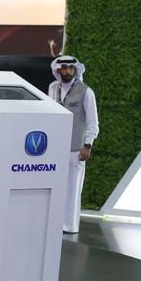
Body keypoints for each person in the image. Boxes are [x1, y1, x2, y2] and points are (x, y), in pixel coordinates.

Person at [48, 55, 99, 234]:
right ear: (58, 70)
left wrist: (88, 145)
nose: (67, 71)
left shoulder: (86, 91)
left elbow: (93, 121)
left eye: (71, 68)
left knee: (73, 189)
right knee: (56, 187)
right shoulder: (53, 88)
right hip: (57, 147)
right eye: (64, 68)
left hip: (77, 148)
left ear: (75, 70)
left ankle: (70, 226)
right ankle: (55, 223)